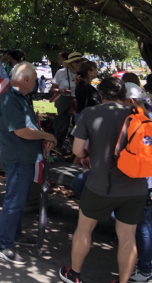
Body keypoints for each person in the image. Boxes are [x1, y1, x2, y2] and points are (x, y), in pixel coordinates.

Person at [59, 78, 148, 283]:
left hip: (100, 185)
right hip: (135, 186)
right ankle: (123, 280)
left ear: (101, 95)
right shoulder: (137, 115)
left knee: (84, 228)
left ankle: (74, 274)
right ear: (122, 95)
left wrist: (87, 157)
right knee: (128, 236)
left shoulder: (90, 113)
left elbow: (77, 150)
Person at [0, 62, 58, 265]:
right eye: (36, 78)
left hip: (26, 157)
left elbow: (28, 126)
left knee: (19, 200)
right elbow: (21, 130)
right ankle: (3, 244)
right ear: (27, 80)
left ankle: (15, 233)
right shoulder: (10, 99)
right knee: (14, 200)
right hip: (18, 158)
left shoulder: (21, 97)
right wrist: (46, 134)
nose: (38, 83)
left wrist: (42, 136)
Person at [123, 83, 152, 283]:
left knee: (142, 225)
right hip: (147, 182)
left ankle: (145, 268)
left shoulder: (134, 121)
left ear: (131, 101)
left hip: (142, 181)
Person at [51, 51, 82, 147]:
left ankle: (75, 146)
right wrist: (61, 91)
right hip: (64, 100)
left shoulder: (83, 73)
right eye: (76, 61)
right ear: (70, 63)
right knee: (61, 124)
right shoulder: (61, 72)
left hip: (78, 100)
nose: (78, 63)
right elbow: (52, 89)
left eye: (80, 61)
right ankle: (58, 145)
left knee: (78, 124)